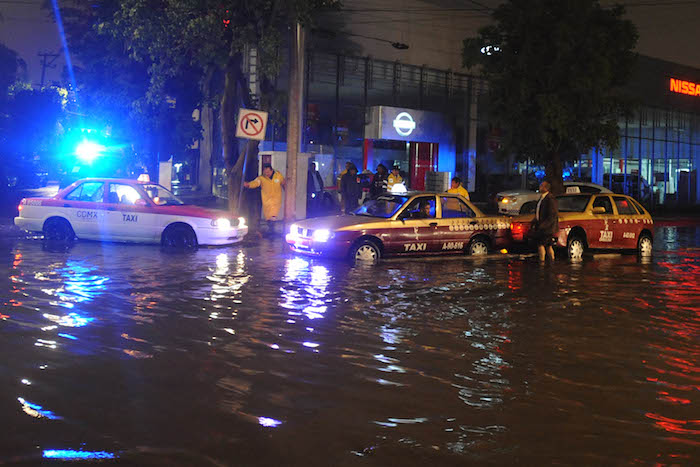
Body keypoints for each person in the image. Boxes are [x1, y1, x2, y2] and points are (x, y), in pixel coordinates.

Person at [244, 163, 285, 234]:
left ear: (272, 170)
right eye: (265, 172)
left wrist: (287, 190)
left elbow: (283, 183)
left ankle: (272, 230)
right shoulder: (261, 178)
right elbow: (255, 183)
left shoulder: (278, 175)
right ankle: (271, 230)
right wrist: (248, 185)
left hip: (276, 200)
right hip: (267, 201)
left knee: (273, 215)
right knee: (268, 217)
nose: (267, 173)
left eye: (268, 172)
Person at [529, 180, 559, 262]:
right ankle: (551, 260)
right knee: (548, 245)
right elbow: (539, 212)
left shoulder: (550, 199)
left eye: (541, 186)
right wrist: (534, 221)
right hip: (543, 226)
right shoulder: (542, 198)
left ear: (546, 188)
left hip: (547, 228)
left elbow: (552, 215)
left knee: (541, 244)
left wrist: (543, 226)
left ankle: (542, 261)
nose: (540, 187)